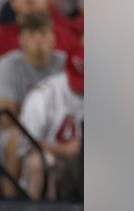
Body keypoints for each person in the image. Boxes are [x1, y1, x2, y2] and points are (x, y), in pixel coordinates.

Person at [0, 11, 65, 192]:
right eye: (31, 35)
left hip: (55, 129)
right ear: (21, 40)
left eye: (43, 34)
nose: (38, 41)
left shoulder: (63, 64)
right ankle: (9, 198)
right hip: (19, 128)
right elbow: (6, 118)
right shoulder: (8, 65)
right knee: (15, 139)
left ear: (53, 38)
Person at [16, 46, 82, 199]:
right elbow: (28, 142)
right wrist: (62, 150)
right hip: (52, 155)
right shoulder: (43, 95)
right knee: (38, 162)